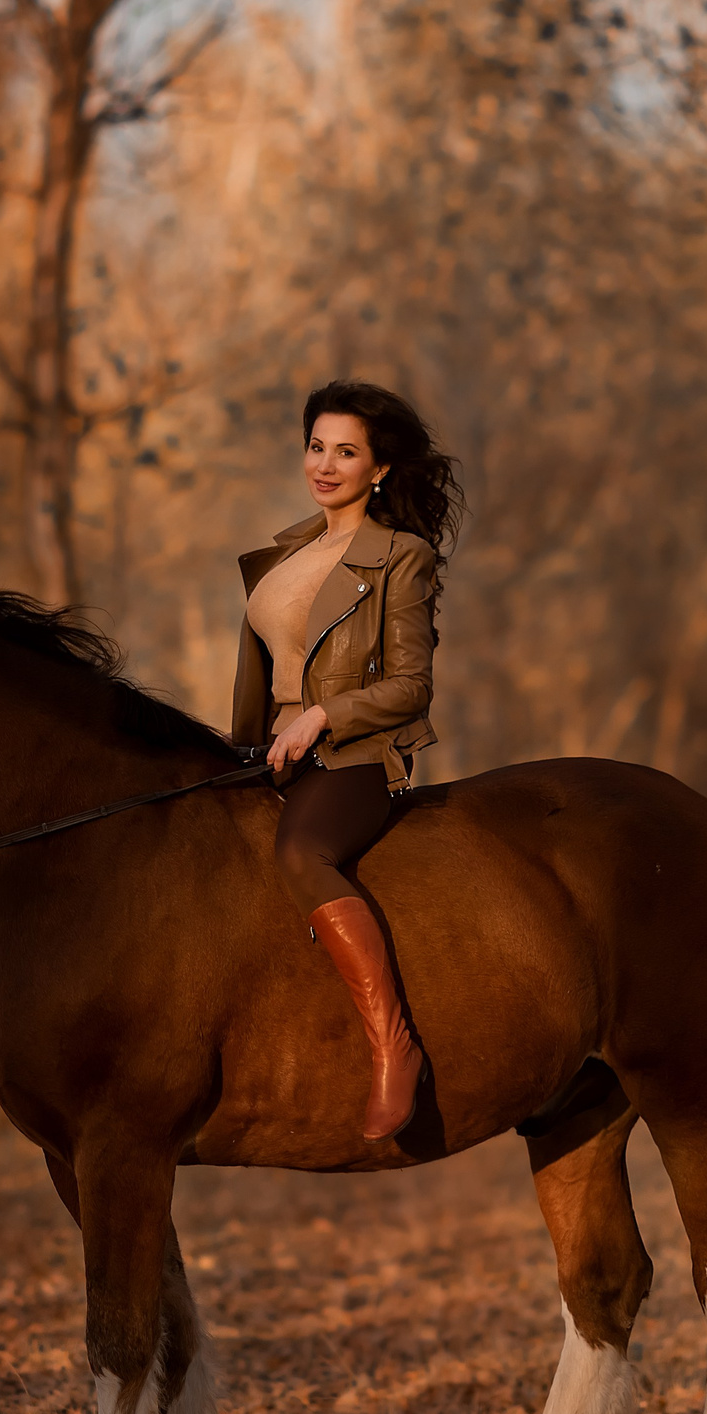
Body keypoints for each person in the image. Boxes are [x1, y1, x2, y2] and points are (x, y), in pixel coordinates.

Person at [231, 380, 465, 1141]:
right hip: (268, 753)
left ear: (379, 470)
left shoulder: (401, 557)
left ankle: (394, 1046)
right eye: (316, 446)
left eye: (346, 452)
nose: (324, 464)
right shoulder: (289, 551)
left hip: (353, 757)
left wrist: (324, 716)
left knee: (301, 852)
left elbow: (410, 685)